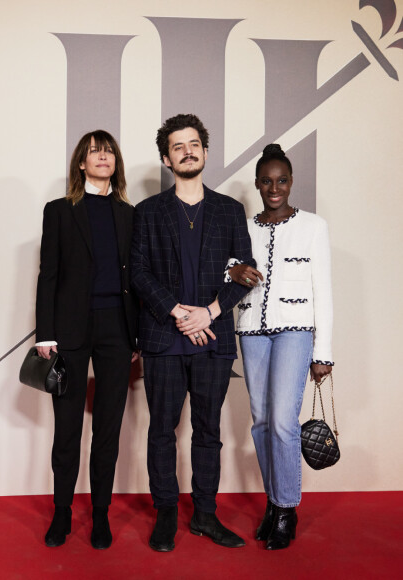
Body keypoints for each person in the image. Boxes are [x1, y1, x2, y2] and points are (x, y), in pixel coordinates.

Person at [131, 113, 255, 552]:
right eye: (178, 146)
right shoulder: (147, 213)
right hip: (164, 339)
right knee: (162, 430)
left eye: (193, 143)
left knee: (208, 431)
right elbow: (139, 273)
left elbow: (245, 272)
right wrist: (177, 311)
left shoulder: (229, 211)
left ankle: (205, 515)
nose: (187, 150)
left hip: (212, 340)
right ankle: (166, 513)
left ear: (204, 150)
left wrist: (211, 312)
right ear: (167, 158)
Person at [35, 130, 139, 549]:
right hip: (71, 331)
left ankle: (100, 516)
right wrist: (46, 333)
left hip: (118, 330)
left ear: (116, 162)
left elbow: (137, 277)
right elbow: (49, 275)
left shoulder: (130, 214)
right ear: (81, 162)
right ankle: (62, 514)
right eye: (94, 151)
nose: (103, 156)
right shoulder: (58, 211)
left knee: (109, 432)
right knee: (67, 430)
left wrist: (135, 336)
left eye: (108, 150)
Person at [228, 143, 334, 550]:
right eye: (267, 181)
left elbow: (323, 291)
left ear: (291, 182)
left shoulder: (313, 226)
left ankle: (287, 508)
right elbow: (226, 265)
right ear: (257, 184)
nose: (275, 188)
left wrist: (322, 353)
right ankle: (274, 502)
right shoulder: (246, 226)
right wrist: (232, 269)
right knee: (261, 422)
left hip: (296, 331)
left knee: (285, 422)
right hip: (252, 328)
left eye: (282, 180)